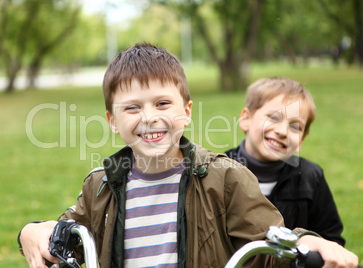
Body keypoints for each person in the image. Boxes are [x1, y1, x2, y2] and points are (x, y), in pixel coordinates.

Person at [18, 44, 358, 268]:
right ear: (112, 121)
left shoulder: (225, 177)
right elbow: (68, 239)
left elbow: (268, 241)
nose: (150, 117)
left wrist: (307, 241)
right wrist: (31, 232)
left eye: (163, 104)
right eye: (132, 108)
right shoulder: (101, 185)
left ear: (187, 111)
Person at [225, 77, 345, 245]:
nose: (282, 131)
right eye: (273, 118)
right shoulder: (220, 173)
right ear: (246, 119)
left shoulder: (311, 178)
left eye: (295, 127)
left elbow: (331, 240)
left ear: (301, 141)